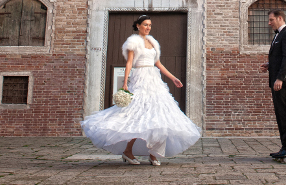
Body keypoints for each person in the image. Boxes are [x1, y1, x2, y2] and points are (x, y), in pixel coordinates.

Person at [81, 15, 201, 165]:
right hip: (140, 78)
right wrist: (125, 83)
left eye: (149, 25)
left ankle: (154, 153)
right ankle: (127, 151)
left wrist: (173, 78)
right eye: (145, 24)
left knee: (159, 115)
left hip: (154, 80)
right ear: (138, 26)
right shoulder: (133, 42)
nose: (148, 27)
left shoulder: (153, 42)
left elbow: (158, 63)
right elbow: (130, 62)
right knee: (136, 115)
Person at [260, 10, 286, 159]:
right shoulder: (278, 35)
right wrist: (270, 64)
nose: (269, 23)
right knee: (280, 114)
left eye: (271, 20)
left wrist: (280, 78)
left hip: (283, 82)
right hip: (277, 80)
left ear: (280, 18)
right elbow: (280, 57)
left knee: (285, 114)